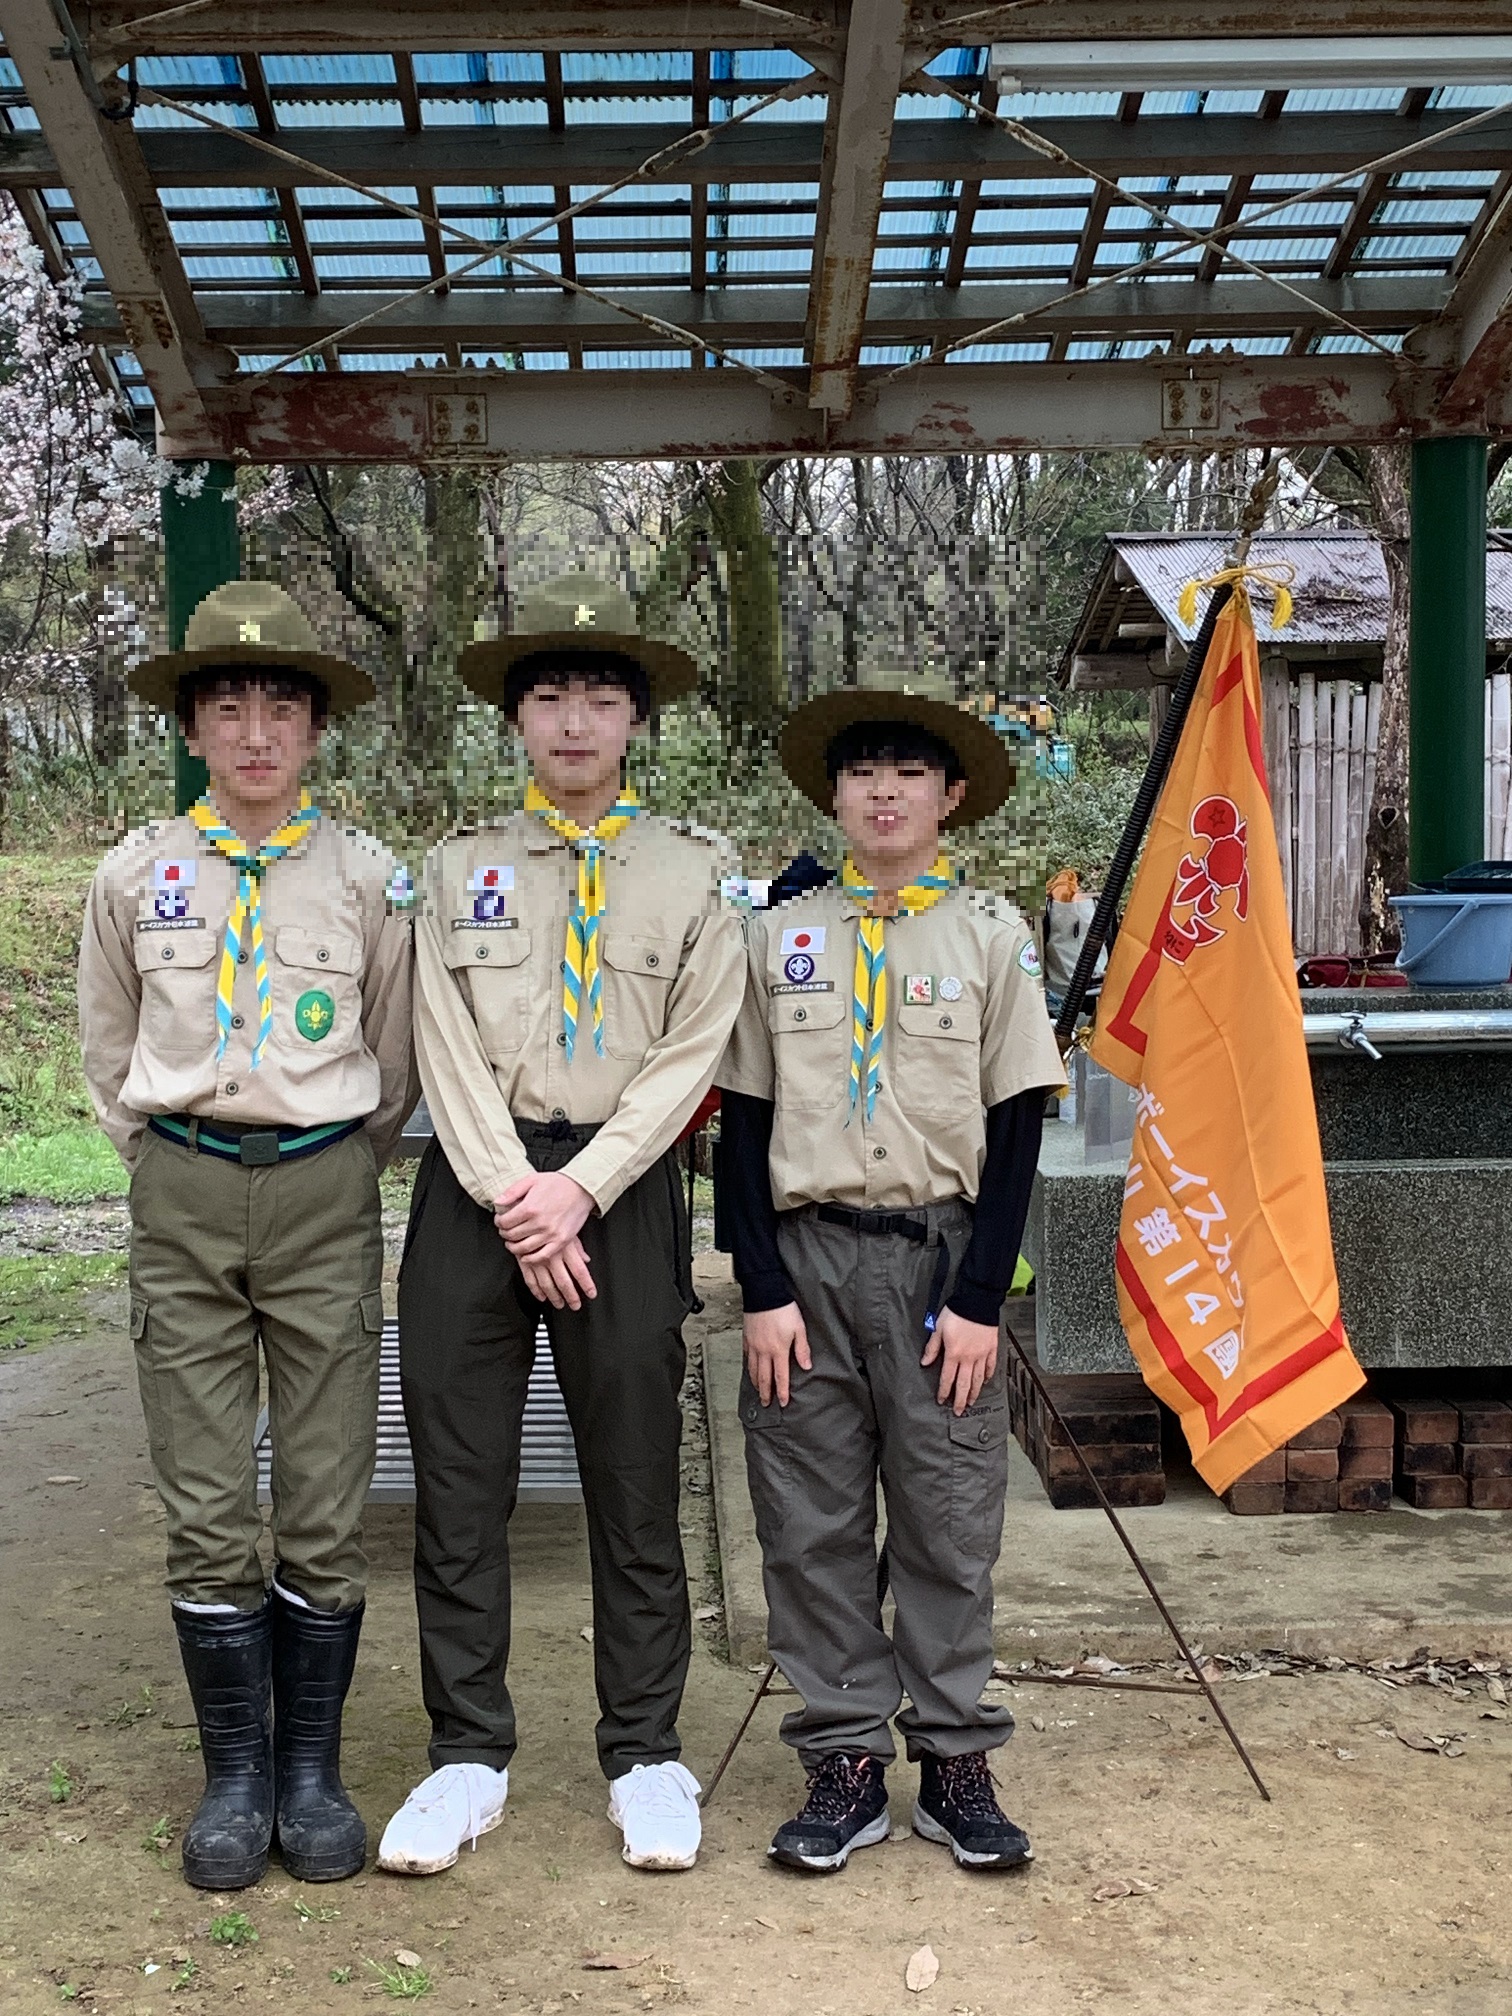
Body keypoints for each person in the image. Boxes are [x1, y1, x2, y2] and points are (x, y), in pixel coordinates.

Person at [381, 573, 745, 1878]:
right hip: (477, 1190)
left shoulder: (699, 874)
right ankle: (466, 1753)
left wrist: (578, 1190)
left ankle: (645, 1752)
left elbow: (689, 1054)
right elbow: (437, 1041)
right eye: (549, 696)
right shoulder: (455, 867)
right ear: (516, 720)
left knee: (636, 1480)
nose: (575, 720)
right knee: (459, 1483)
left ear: (636, 719)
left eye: (601, 696)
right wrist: (516, 1198)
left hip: (625, 1188)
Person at [78, 580, 417, 1891]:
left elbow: (389, 1054)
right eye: (230, 703)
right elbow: (110, 1045)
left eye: (283, 704)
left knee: (327, 1497)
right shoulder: (135, 872)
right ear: (195, 726)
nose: (257, 729)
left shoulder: (368, 879)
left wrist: (337, 1160)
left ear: (318, 728)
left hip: (326, 1187)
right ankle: (236, 1772)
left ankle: (313, 1770)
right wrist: (168, 1155)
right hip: (184, 1189)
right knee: (208, 1497)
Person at [716, 683, 1065, 1875]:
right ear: (833, 793)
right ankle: (844, 1756)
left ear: (950, 795)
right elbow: (743, 1123)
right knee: (809, 1522)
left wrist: (980, 1300)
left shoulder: (988, 936)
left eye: (908, 772)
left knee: (948, 1520)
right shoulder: (778, 938)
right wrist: (757, 1286)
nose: (882, 790)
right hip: (802, 1271)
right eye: (861, 770)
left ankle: (957, 1755)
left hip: (937, 1268)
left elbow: (1018, 1128)